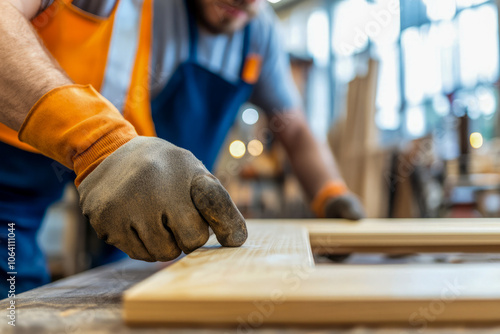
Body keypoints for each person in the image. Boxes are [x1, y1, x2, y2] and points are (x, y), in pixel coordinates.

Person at [0, 0, 365, 294]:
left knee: (118, 287)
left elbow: (295, 129)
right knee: (13, 286)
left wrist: (330, 194)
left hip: (136, 180)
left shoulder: (258, 34)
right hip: (17, 150)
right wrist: (98, 143)